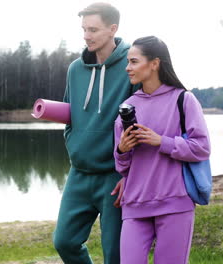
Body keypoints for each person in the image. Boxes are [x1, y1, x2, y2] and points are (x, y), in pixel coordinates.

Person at [53, 3, 139, 264]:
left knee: (115, 253)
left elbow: (141, 122)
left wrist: (131, 173)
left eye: (93, 29)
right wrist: (73, 143)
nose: (86, 36)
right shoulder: (75, 69)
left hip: (114, 175)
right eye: (84, 29)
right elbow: (70, 117)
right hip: (78, 173)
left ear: (113, 29)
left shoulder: (131, 66)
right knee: (64, 242)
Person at [114, 36, 211, 264]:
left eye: (134, 61)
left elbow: (202, 148)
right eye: (128, 62)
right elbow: (121, 166)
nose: (128, 68)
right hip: (135, 205)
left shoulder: (183, 100)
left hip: (175, 202)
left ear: (154, 63)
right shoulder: (127, 107)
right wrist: (122, 149)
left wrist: (162, 142)